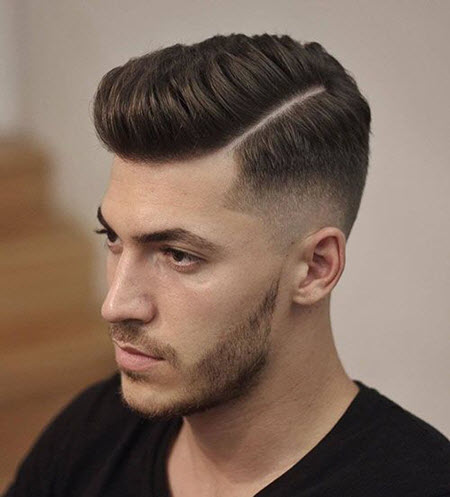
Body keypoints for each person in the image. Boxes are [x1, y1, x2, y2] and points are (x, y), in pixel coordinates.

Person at [4, 33, 449, 497]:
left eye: (179, 255)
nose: (115, 305)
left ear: (316, 268)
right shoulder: (93, 434)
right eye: (113, 239)